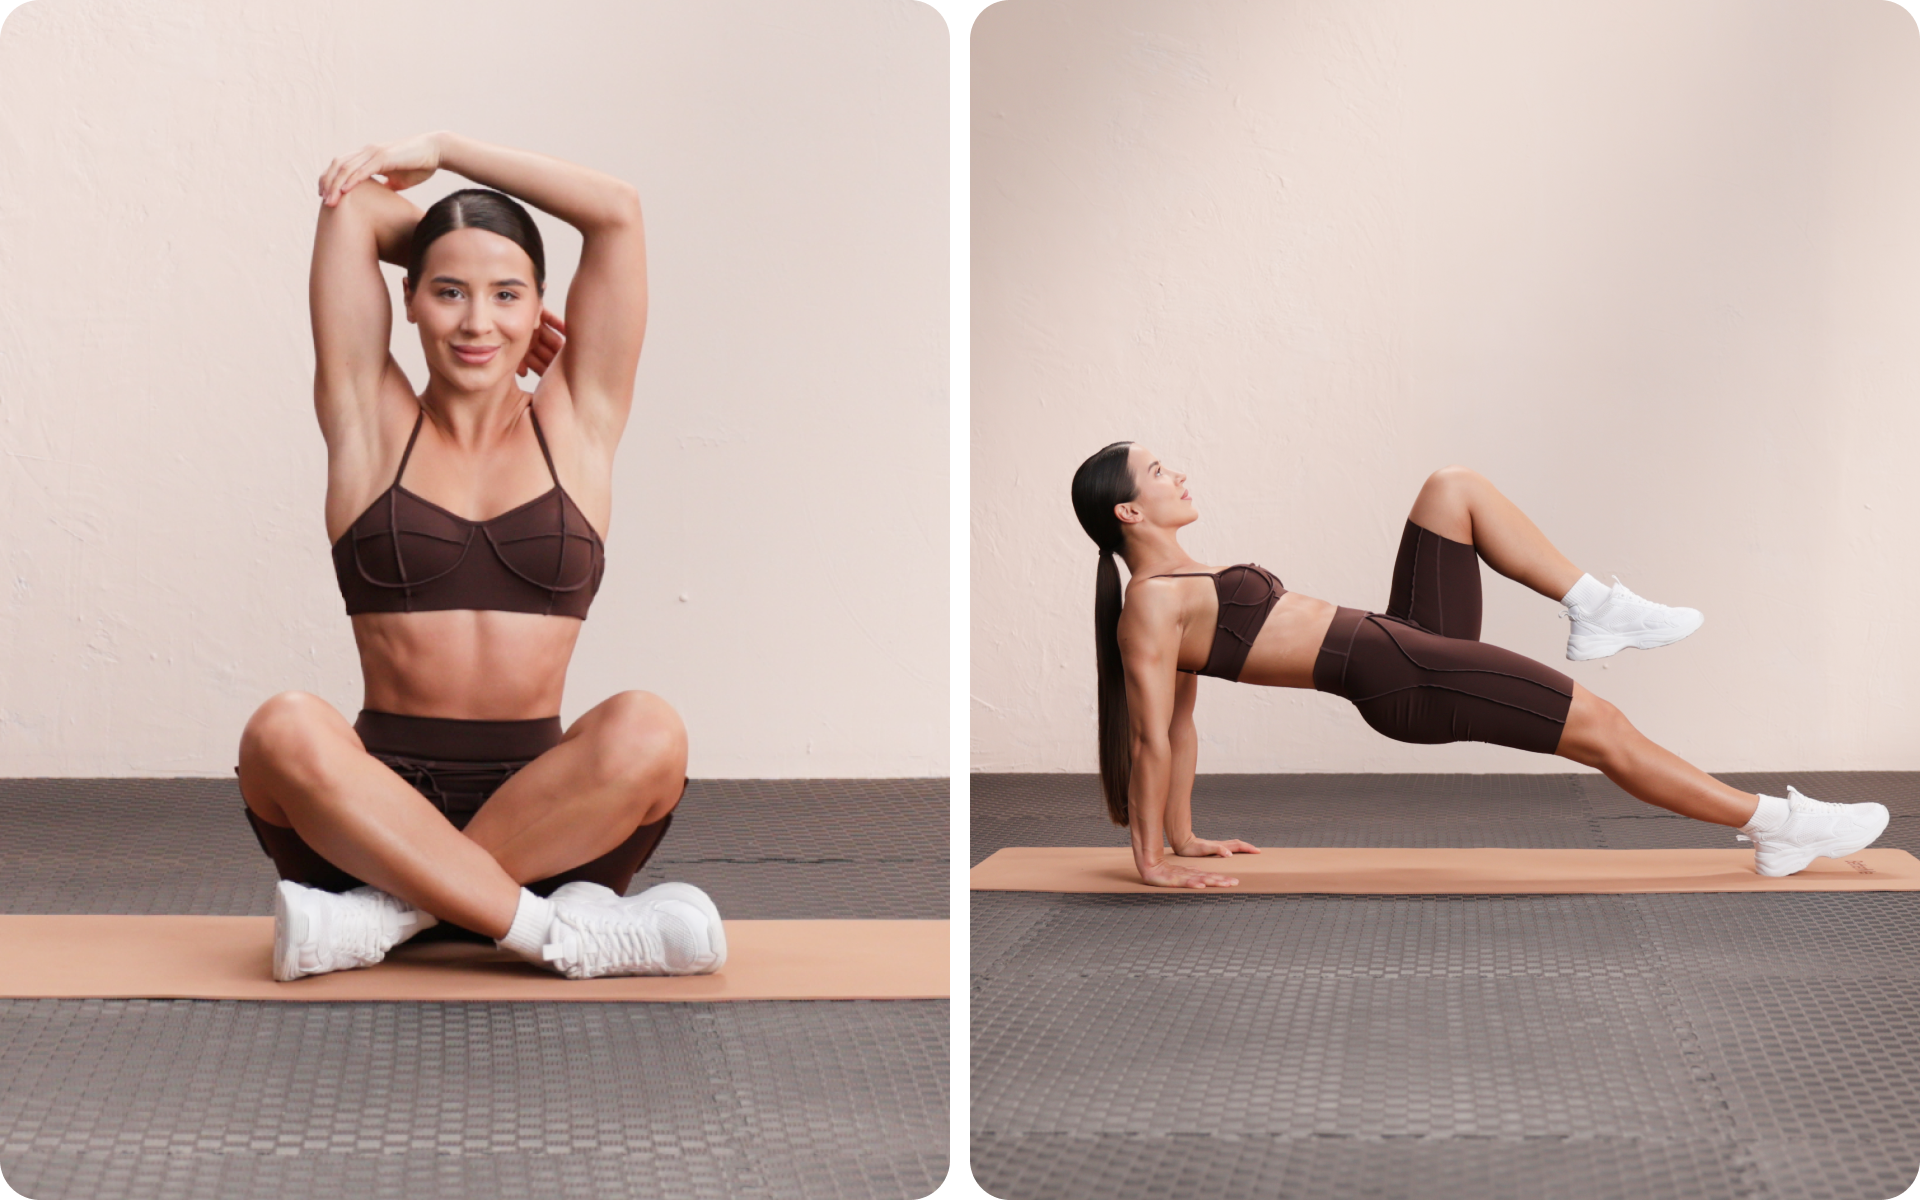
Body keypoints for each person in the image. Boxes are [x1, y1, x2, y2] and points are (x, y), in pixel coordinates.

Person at [235, 131, 724, 980]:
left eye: (507, 296)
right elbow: (349, 213)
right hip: (372, 814)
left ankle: (387, 917)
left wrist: (450, 150)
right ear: (411, 300)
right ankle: (556, 935)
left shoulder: (577, 422)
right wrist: (463, 243)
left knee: (653, 728)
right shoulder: (367, 419)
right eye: (450, 292)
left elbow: (616, 214)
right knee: (281, 728)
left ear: (542, 306)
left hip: (553, 817)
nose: (477, 321)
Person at [1069, 441, 1890, 890]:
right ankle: (1777, 827)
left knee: (1453, 485)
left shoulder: (1173, 586)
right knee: (1602, 728)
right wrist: (1152, 858)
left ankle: (1595, 605)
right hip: (1401, 676)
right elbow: (1153, 736)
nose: (1179, 472)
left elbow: (1184, 723)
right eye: (1158, 472)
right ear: (1129, 511)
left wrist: (1185, 835)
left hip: (1400, 635)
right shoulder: (1151, 601)